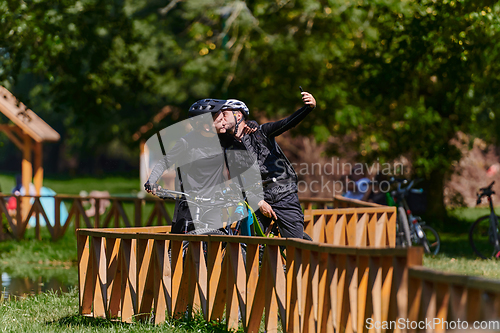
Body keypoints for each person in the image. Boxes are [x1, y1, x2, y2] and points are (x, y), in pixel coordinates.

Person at [218, 91, 316, 239]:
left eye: (224, 115)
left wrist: (308, 108)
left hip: (284, 194)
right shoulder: (229, 147)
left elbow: (287, 122)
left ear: (238, 115)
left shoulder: (262, 132)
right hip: (257, 199)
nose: (221, 119)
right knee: (248, 242)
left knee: (296, 246)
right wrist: (258, 201)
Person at [144, 99, 228, 233]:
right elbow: (165, 162)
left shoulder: (224, 138)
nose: (225, 123)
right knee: (180, 244)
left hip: (212, 204)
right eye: (220, 120)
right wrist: (152, 181)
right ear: (206, 126)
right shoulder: (186, 142)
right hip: (189, 202)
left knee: (217, 244)